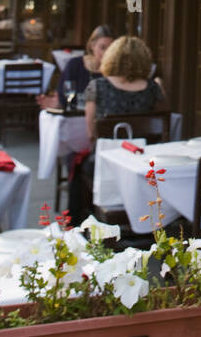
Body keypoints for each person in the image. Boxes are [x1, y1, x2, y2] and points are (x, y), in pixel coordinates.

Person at [69, 36, 166, 223]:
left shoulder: (97, 87)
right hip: (144, 161)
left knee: (77, 168)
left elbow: (91, 134)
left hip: (107, 160)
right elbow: (163, 122)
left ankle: (79, 221)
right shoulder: (154, 88)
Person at [37, 25, 115, 112]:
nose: (107, 53)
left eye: (111, 49)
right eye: (102, 48)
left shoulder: (115, 70)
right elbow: (64, 95)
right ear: (92, 46)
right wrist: (57, 103)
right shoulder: (75, 65)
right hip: (75, 115)